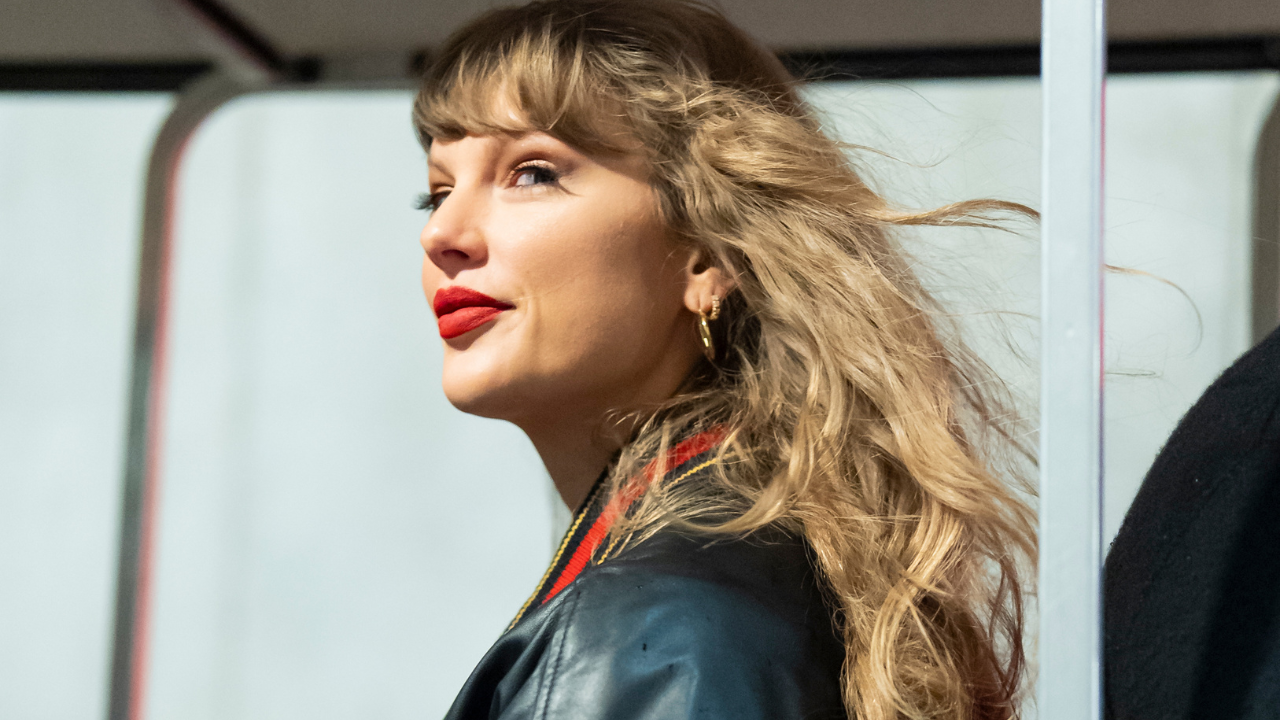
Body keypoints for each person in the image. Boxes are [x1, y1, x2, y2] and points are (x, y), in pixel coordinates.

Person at [411, 1, 1036, 718]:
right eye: (436, 192)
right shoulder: (748, 565)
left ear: (707, 252)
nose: (444, 234)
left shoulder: (662, 620)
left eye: (533, 173)